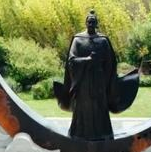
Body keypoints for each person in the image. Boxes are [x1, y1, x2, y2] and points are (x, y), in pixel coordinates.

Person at [54, 10, 139, 141]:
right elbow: (72, 60)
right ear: (85, 23)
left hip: (99, 81)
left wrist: (107, 81)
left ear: (96, 23)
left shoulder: (103, 40)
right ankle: (79, 134)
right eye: (89, 21)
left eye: (93, 22)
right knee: (83, 107)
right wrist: (87, 60)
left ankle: (103, 134)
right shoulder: (78, 39)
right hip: (83, 82)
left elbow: (111, 63)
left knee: (99, 107)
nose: (91, 24)